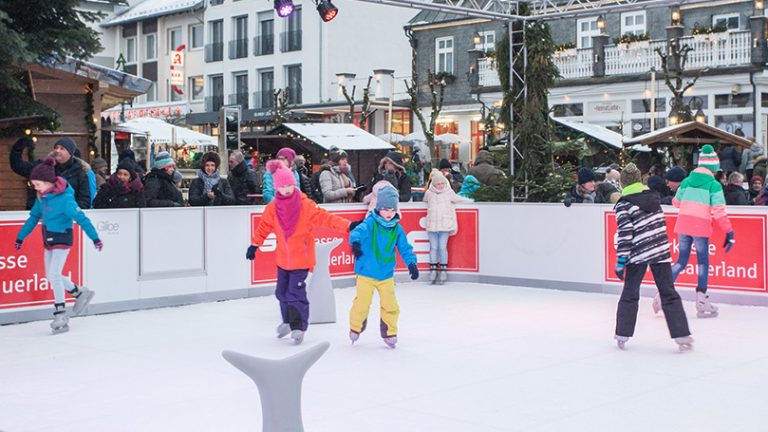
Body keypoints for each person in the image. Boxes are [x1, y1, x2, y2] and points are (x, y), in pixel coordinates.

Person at [246, 161, 353, 344]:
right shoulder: (273, 208)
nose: (286, 190)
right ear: (277, 188)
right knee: (281, 292)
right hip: (283, 260)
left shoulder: (305, 205)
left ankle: (299, 327)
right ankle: (287, 321)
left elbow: (325, 218)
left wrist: (348, 225)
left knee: (295, 294)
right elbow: (264, 227)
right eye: (282, 187)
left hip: (301, 259)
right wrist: (255, 245)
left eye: (289, 185)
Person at [14, 158, 102, 334]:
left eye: (37, 184)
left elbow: (82, 219)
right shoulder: (42, 198)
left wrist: (95, 238)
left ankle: (60, 314)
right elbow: (33, 218)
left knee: (54, 275)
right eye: (34, 185)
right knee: (50, 275)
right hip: (48, 240)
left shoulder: (65, 200)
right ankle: (79, 292)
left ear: (48, 182)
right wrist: (20, 237)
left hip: (62, 239)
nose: (35, 188)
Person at [613, 163, 693, 351]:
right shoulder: (653, 198)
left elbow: (626, 234)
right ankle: (682, 334)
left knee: (630, 293)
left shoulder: (624, 204)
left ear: (623, 184)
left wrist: (621, 260)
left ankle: (622, 333)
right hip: (660, 251)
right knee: (668, 292)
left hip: (638, 253)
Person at [653, 145, 735, 318]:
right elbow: (719, 210)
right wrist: (729, 232)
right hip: (700, 227)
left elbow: (676, 202)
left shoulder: (688, 181)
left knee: (681, 261)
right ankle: (702, 302)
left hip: (683, 225)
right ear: (713, 168)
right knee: (703, 263)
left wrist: (690, 202)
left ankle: (661, 295)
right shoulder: (714, 185)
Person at [348, 187, 419, 348]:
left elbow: (405, 248)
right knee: (362, 304)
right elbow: (357, 232)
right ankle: (356, 326)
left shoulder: (396, 229)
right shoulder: (371, 222)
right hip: (366, 273)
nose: (389, 213)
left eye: (393, 209)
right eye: (386, 209)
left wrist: (411, 263)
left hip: (386, 275)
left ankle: (389, 331)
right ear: (379, 208)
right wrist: (356, 244)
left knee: (391, 304)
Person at [10, 137, 92, 210]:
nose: (57, 150)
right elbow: (18, 166)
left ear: (70, 153)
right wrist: (18, 148)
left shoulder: (80, 173)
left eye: (62, 148)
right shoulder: (42, 167)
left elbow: (84, 201)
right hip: (40, 217)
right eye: (56, 148)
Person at [423, 169, 472, 285]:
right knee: (433, 248)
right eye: (437, 184)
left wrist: (471, 201)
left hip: (444, 226)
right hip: (432, 226)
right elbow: (424, 201)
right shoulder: (429, 194)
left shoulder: (449, 193)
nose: (440, 186)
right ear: (433, 185)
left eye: (442, 183)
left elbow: (459, 199)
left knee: (442, 247)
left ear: (445, 183)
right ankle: (433, 269)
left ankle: (443, 270)